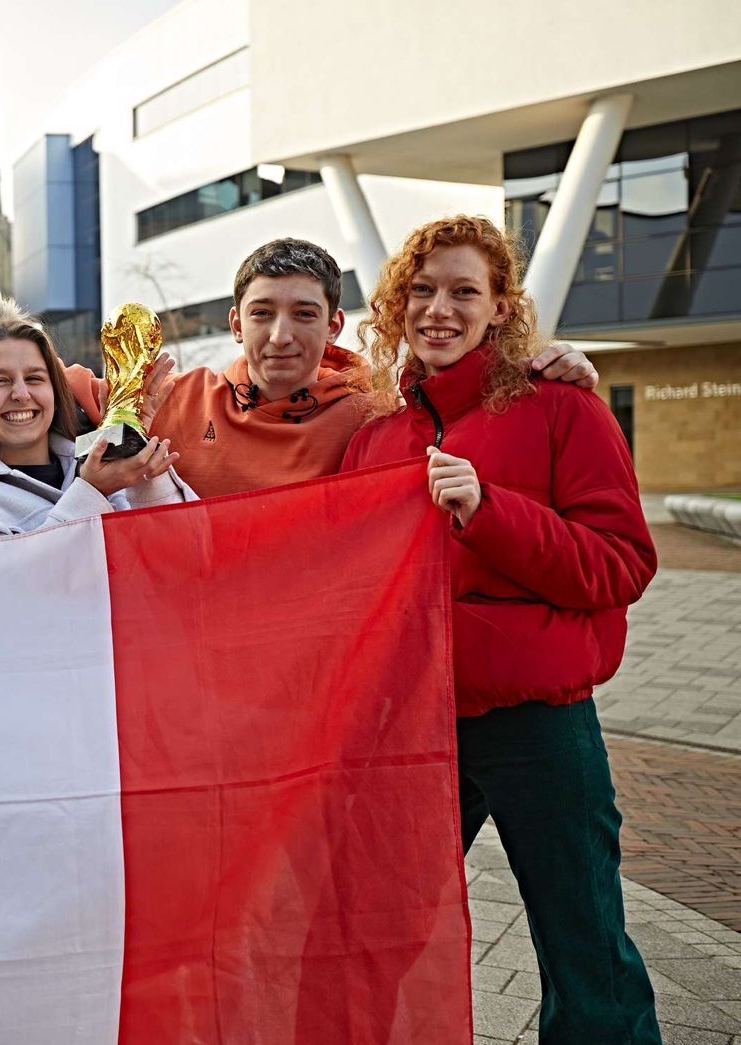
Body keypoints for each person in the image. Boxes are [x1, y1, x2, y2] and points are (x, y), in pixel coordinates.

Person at [341, 215, 660, 1043]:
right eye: (420, 290)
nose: (438, 309)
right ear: (394, 304)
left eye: (462, 292)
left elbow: (620, 563)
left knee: (581, 940)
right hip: (411, 726)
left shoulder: (562, 407)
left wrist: (489, 511)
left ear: (500, 305)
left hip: (535, 721)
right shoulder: (376, 434)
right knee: (377, 932)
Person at [64, 237, 601, 498]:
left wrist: (548, 362)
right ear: (235, 323)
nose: (281, 336)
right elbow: (36, 394)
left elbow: (462, 413)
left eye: (304, 314)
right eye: (262, 314)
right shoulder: (168, 397)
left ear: (334, 325)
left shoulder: (374, 418)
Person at [0, 312, 190, 538]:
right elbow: (8, 588)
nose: (21, 394)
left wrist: (137, 452)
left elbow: (188, 550)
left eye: (35, 378)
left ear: (55, 390)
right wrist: (92, 492)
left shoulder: (101, 464)